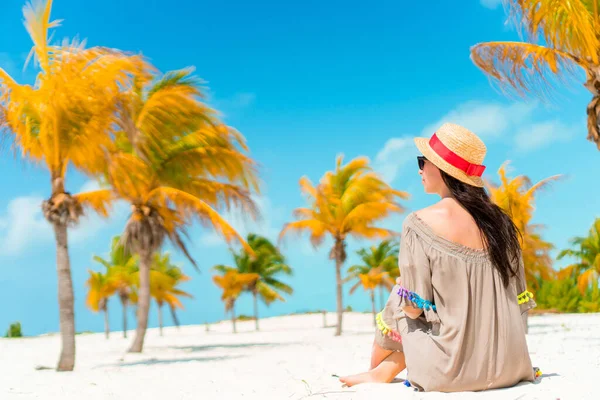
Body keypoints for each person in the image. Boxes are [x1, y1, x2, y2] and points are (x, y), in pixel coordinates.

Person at [339, 123, 538, 392]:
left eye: (423, 162)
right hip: (510, 365)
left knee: (401, 294)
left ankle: (379, 371)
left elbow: (413, 309)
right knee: (408, 293)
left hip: (451, 373)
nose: (420, 169)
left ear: (443, 169)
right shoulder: (502, 224)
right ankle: (381, 371)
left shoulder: (419, 223)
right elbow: (515, 301)